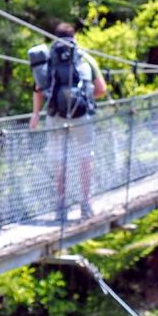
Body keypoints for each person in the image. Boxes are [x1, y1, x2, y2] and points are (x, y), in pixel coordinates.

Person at [29, 22, 107, 219]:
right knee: (85, 156)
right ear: (75, 37)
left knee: (58, 159)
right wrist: (83, 99)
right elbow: (101, 89)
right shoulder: (85, 57)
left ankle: (61, 205)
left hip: (55, 115)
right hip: (82, 116)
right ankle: (86, 202)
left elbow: (40, 88)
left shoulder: (49, 58)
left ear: (55, 38)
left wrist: (36, 114)